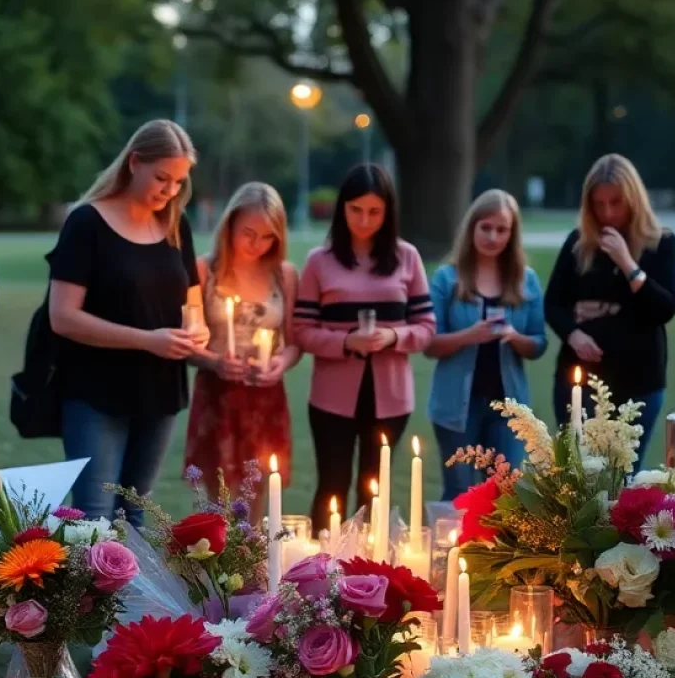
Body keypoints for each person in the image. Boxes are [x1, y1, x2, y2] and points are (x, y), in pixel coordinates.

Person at [47, 119, 203, 523]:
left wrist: (197, 331)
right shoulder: (87, 223)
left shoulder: (174, 225)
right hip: (96, 391)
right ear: (134, 162)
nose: (169, 191)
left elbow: (194, 307)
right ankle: (88, 590)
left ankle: (130, 590)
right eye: (161, 178)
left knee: (134, 513)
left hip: (160, 391)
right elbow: (63, 317)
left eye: (178, 183)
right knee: (94, 518)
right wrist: (148, 339)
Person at [294, 163, 435, 530]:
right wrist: (345, 341)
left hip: (391, 397)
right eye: (356, 210)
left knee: (375, 487)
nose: (364, 220)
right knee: (332, 485)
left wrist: (393, 337)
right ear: (342, 208)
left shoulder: (407, 258)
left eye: (374, 211)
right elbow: (302, 330)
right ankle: (321, 574)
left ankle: (368, 575)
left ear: (388, 212)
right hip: (331, 398)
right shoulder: (319, 262)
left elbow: (426, 328)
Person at [545, 153, 675, 460]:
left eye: (616, 202)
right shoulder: (578, 244)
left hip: (639, 381)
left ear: (633, 198)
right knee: (577, 475)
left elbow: (664, 308)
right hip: (580, 379)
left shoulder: (662, 244)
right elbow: (554, 304)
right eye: (599, 203)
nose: (607, 212)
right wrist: (573, 334)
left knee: (623, 477)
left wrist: (628, 264)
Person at [184, 182, 299, 519]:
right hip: (217, 396)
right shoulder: (205, 271)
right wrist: (214, 362)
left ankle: (253, 566)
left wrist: (280, 363)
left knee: (258, 495)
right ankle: (215, 566)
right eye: (248, 233)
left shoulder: (285, 275)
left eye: (267, 237)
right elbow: (187, 343)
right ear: (229, 224)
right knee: (217, 502)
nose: (256, 244)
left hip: (266, 398)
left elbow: (294, 343)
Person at [426, 189, 547, 499]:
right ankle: (454, 549)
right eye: (486, 227)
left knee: (507, 495)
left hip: (508, 409)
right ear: (472, 228)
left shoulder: (525, 280)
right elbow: (429, 344)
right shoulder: (447, 278)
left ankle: (498, 550)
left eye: (501, 229)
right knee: (460, 494)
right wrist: (471, 335)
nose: (493, 236)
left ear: (512, 233)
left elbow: (538, 344)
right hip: (456, 407)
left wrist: (514, 337)